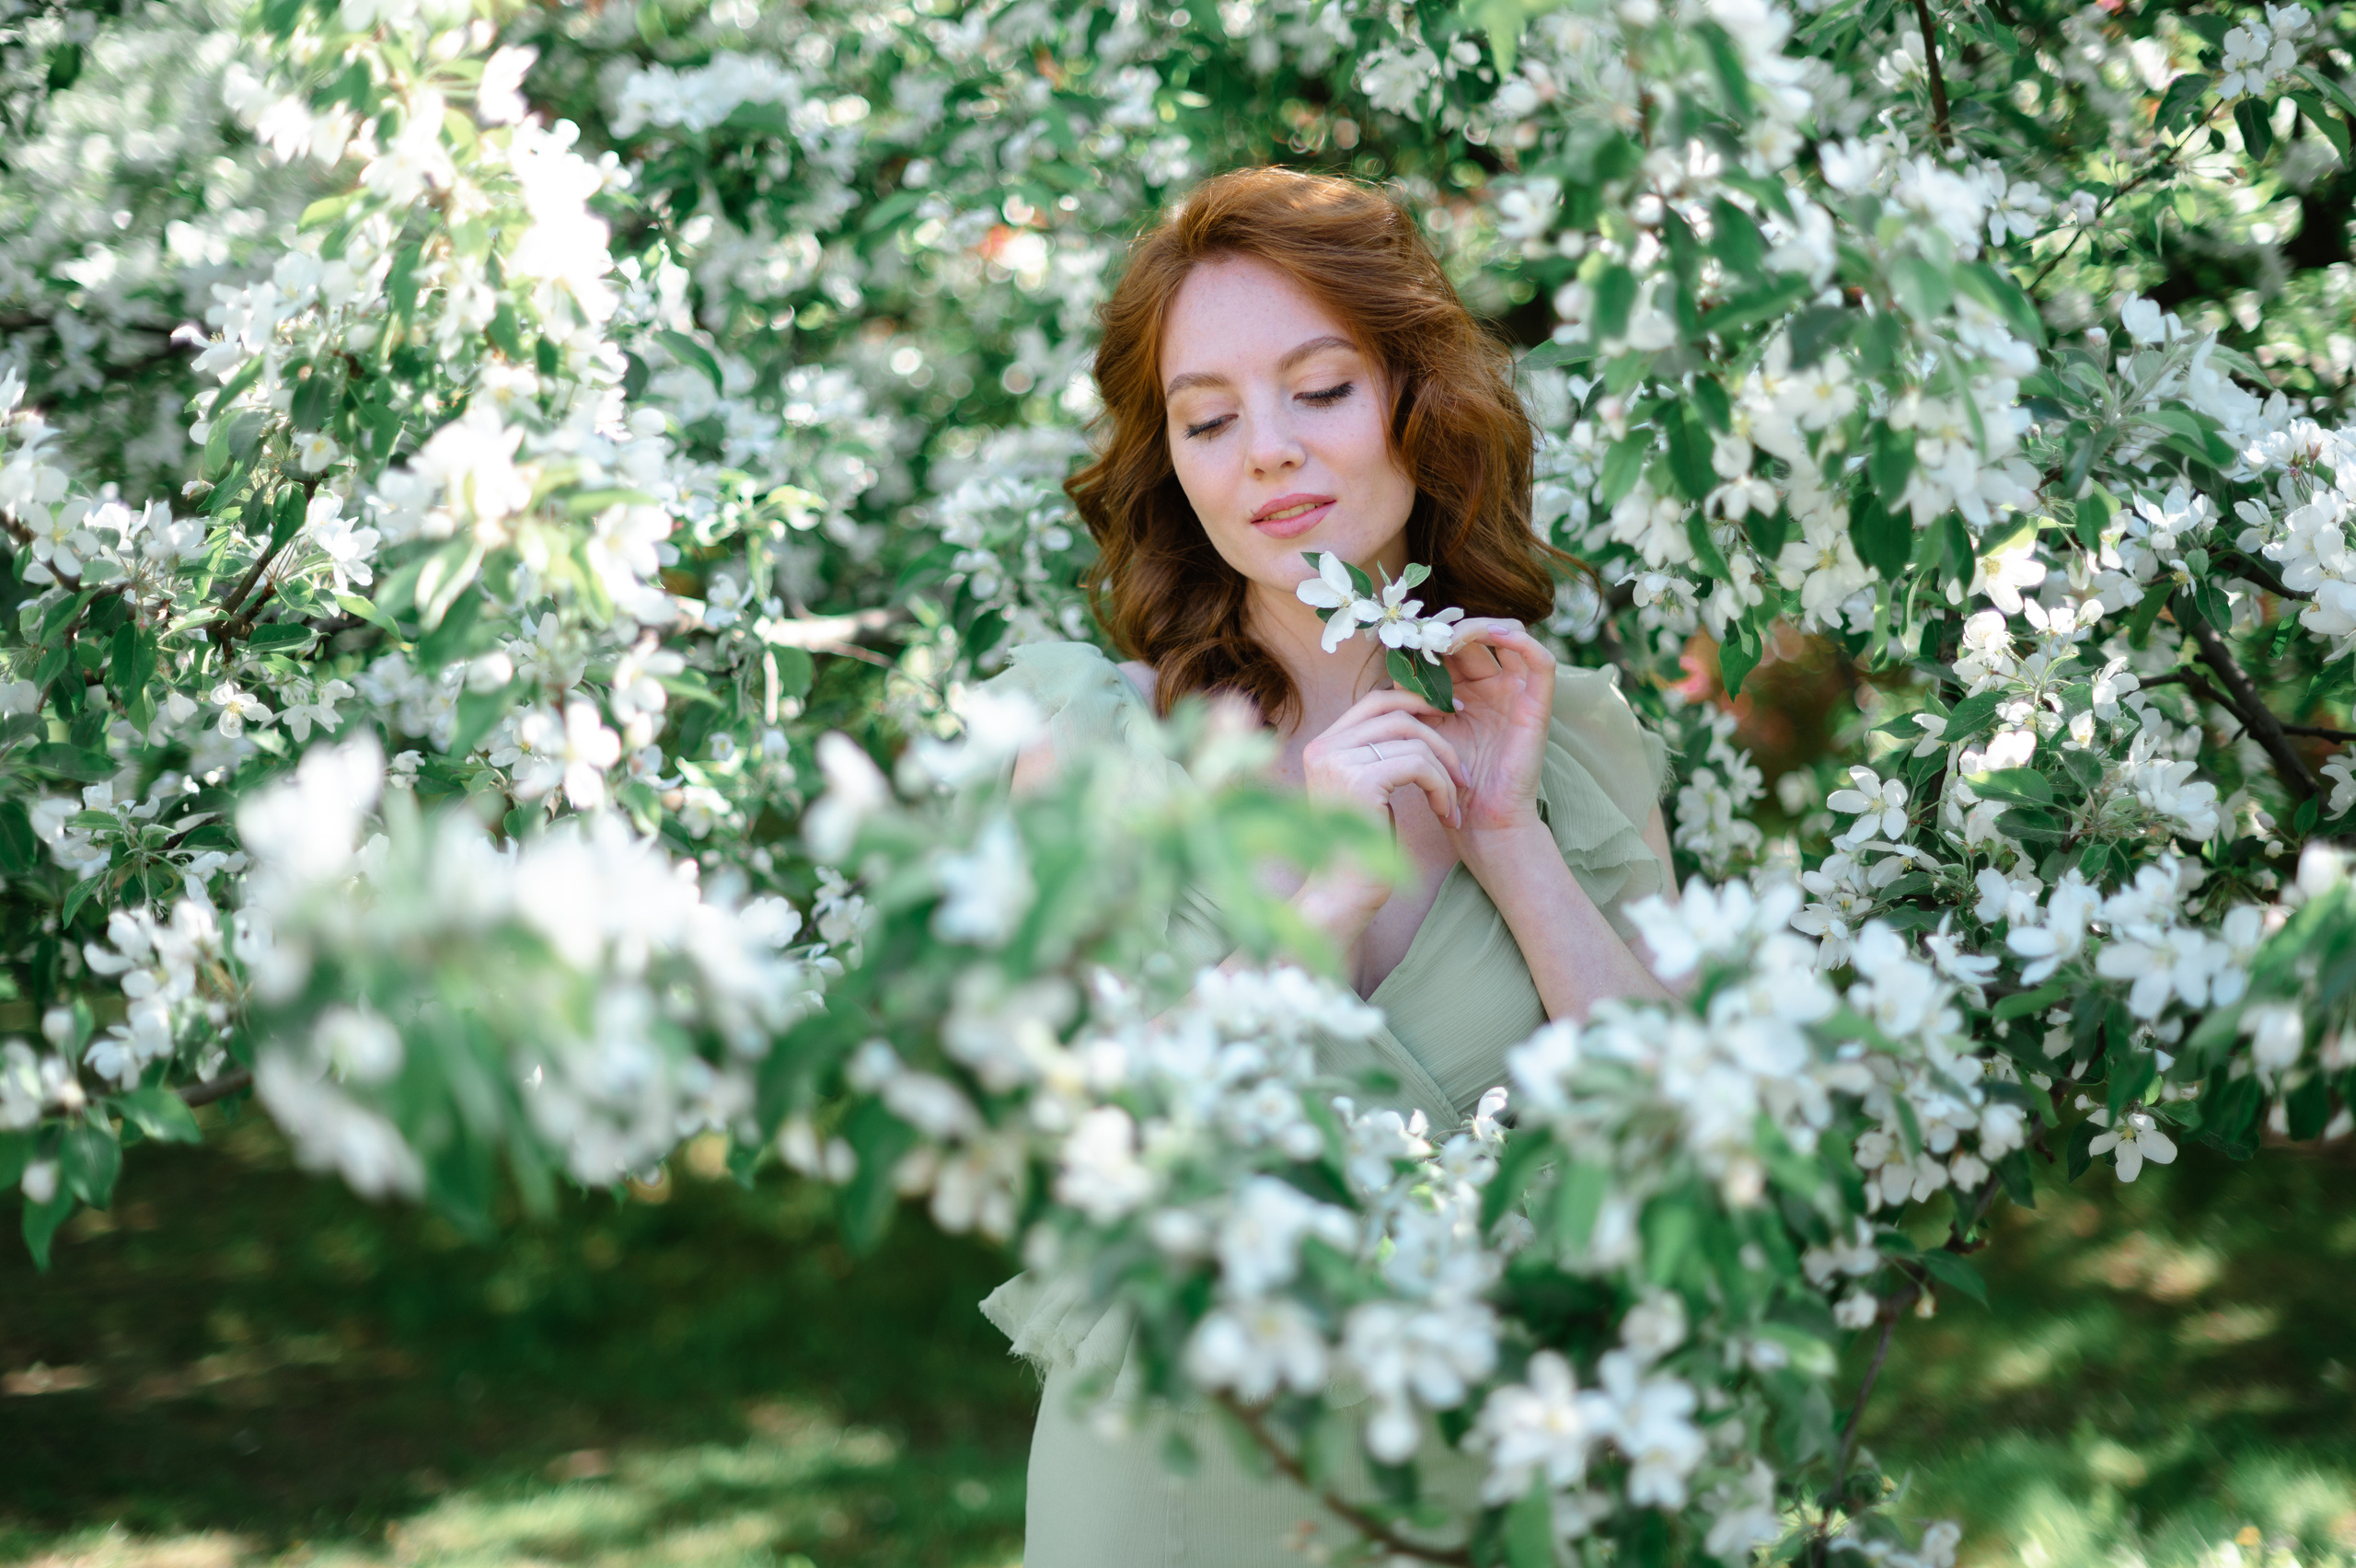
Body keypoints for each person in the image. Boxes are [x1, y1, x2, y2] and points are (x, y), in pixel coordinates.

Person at [978, 165, 1679, 1567]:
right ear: (1170, 460)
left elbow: (1670, 1137)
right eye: (1210, 417)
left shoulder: (1573, 738)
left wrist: (1506, 833)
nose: (1268, 454)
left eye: (1319, 390)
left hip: (1502, 1466)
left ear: (1416, 403)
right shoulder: (1090, 754)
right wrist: (1318, 904)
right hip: (1173, 1477)